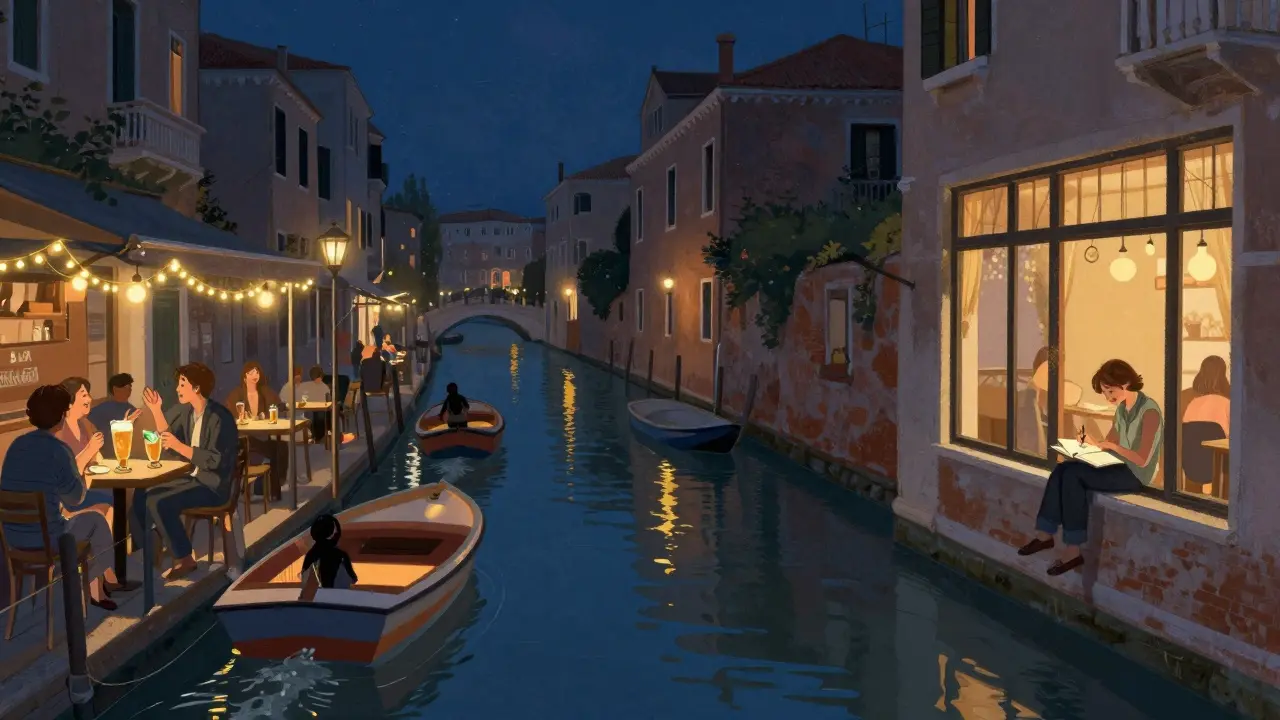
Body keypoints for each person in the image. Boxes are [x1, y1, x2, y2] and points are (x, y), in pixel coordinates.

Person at [1018, 359, 1162, 576]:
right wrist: (1093, 445)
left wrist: (1111, 446)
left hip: (1136, 474)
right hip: (1117, 465)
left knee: (1074, 476)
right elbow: (1111, 441)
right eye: (1105, 392)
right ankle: (1044, 535)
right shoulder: (1122, 409)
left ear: (1125, 384)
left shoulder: (1150, 411)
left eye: (1109, 391)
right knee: (1063, 469)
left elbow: (1142, 459)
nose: (1107, 397)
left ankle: (1073, 550)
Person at [1, 386, 118, 609]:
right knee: (97, 521)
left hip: (12, 541)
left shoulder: (17, 446)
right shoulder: (59, 450)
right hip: (50, 540)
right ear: (62, 416)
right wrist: (86, 479)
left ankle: (90, 586)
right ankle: (88, 587)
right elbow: (74, 499)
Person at [134, 362, 239, 580]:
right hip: (193, 479)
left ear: (197, 387)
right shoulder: (186, 413)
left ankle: (184, 558)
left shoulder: (219, 417)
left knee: (159, 501)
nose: (177, 389)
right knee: (143, 493)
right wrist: (155, 410)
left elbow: (214, 459)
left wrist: (178, 446)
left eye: (182, 384)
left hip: (214, 486)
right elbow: (167, 435)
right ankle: (153, 547)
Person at [224, 361, 286, 498]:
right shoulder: (237, 394)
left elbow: (279, 406)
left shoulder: (265, 392)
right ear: (244, 376)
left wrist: (266, 414)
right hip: (243, 438)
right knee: (273, 450)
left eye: (256, 372)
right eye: (250, 372)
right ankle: (257, 487)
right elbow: (229, 413)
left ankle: (272, 489)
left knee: (281, 447)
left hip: (261, 436)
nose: (254, 375)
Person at [301, 514, 357, 589]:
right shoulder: (340, 555)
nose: (337, 534)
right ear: (331, 534)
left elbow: (305, 580)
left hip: (315, 598)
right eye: (336, 532)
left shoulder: (309, 555)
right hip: (336, 598)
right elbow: (353, 579)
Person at [1182, 355, 1230, 435]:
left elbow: (1185, 432)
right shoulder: (1227, 404)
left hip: (1192, 447)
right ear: (1223, 376)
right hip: (1219, 446)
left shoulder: (1192, 403)